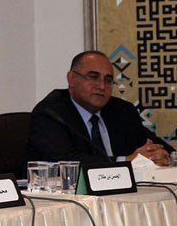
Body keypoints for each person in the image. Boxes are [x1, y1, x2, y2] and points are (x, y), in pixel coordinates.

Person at [27, 50, 173, 165]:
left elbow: (157, 147)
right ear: (71, 78)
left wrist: (157, 155)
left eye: (108, 80)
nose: (102, 86)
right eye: (93, 77)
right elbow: (65, 162)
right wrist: (126, 161)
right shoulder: (51, 113)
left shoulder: (122, 110)